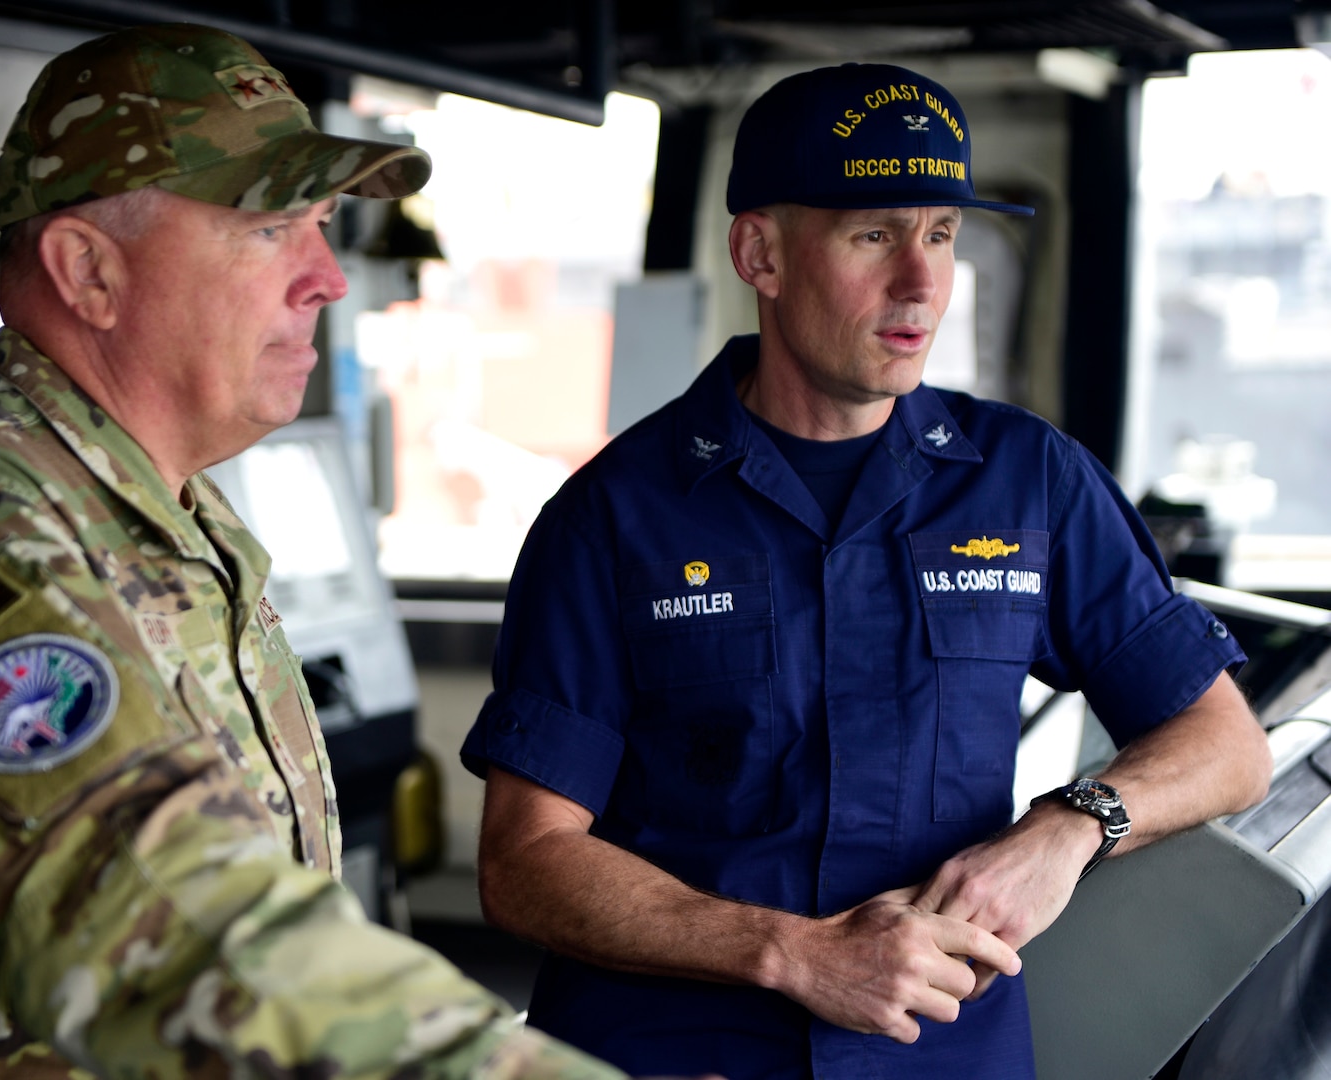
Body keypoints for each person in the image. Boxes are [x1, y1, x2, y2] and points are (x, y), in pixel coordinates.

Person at [0, 23, 628, 1079]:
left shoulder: (184, 516)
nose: (326, 278)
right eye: (268, 226)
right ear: (87, 271)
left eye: (322, 224)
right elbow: (161, 925)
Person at [461, 62, 1274, 1080]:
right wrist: (792, 955)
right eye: (874, 234)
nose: (923, 283)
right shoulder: (614, 515)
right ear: (761, 251)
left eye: (940, 233)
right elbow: (524, 864)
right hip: (682, 1051)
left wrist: (1069, 828)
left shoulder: (1029, 482)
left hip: (936, 1055)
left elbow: (1226, 746)